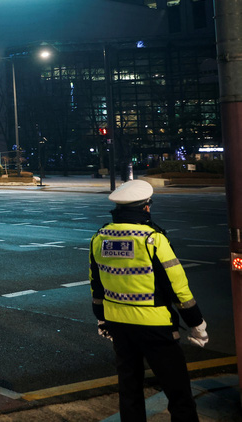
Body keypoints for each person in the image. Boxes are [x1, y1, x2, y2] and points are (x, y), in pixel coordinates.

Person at [89, 179, 209, 421]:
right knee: (177, 390)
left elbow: (97, 284)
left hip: (118, 324)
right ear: (145, 207)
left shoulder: (99, 237)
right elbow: (178, 287)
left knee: (129, 387)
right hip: (155, 325)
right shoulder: (153, 239)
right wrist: (196, 323)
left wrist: (101, 320)